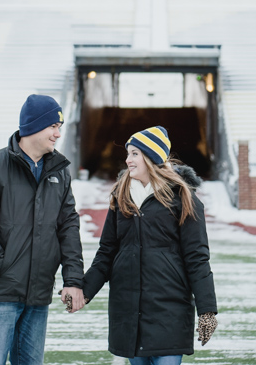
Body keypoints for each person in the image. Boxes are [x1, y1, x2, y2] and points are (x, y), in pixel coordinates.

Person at [0, 94, 86, 365]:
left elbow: (68, 227)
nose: (57, 134)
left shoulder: (59, 172)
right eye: (53, 126)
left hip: (38, 295)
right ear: (34, 127)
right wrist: (0, 265)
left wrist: (73, 279)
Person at [82, 126, 218, 365]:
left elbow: (197, 257)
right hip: (129, 312)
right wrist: (83, 292)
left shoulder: (183, 197)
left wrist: (207, 311)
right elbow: (107, 253)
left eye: (134, 153)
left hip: (169, 310)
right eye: (128, 154)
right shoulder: (120, 196)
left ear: (151, 157)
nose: (128, 160)